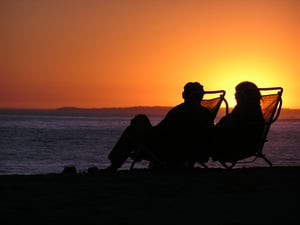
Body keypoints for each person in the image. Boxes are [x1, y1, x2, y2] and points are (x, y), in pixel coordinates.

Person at [106, 82, 214, 171]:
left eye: (185, 91)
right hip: (191, 149)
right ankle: (120, 160)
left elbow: (163, 131)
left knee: (139, 121)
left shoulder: (180, 111)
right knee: (139, 124)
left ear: (186, 94)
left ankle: (115, 164)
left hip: (166, 148)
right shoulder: (206, 114)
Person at [210, 81, 265, 162]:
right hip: (240, 143)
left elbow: (230, 125)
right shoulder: (253, 108)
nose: (235, 95)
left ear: (245, 95)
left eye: (238, 93)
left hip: (235, 146)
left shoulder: (246, 109)